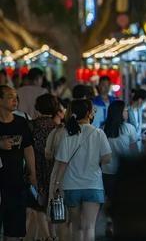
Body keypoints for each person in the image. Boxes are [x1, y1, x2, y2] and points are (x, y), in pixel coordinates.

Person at [54, 99, 112, 241]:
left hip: (71, 186)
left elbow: (62, 163)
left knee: (77, 226)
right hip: (93, 185)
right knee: (89, 227)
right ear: (88, 113)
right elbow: (107, 158)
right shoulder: (98, 133)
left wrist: (56, 186)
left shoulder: (68, 135)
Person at [0, 85, 37, 241]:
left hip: (16, 180)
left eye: (16, 97)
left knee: (15, 228)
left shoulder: (21, 122)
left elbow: (28, 148)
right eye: (10, 97)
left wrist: (33, 173)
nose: (15, 100)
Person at [28, 94, 65, 241]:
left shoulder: (30, 125)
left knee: (37, 205)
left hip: (35, 167)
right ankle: (52, 235)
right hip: (52, 169)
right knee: (51, 203)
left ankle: (43, 236)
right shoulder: (57, 127)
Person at [102, 100, 138, 236]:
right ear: (119, 112)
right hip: (124, 172)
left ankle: (110, 223)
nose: (127, 113)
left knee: (110, 199)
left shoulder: (104, 129)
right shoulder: (129, 129)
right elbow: (134, 151)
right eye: (125, 110)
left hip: (107, 171)